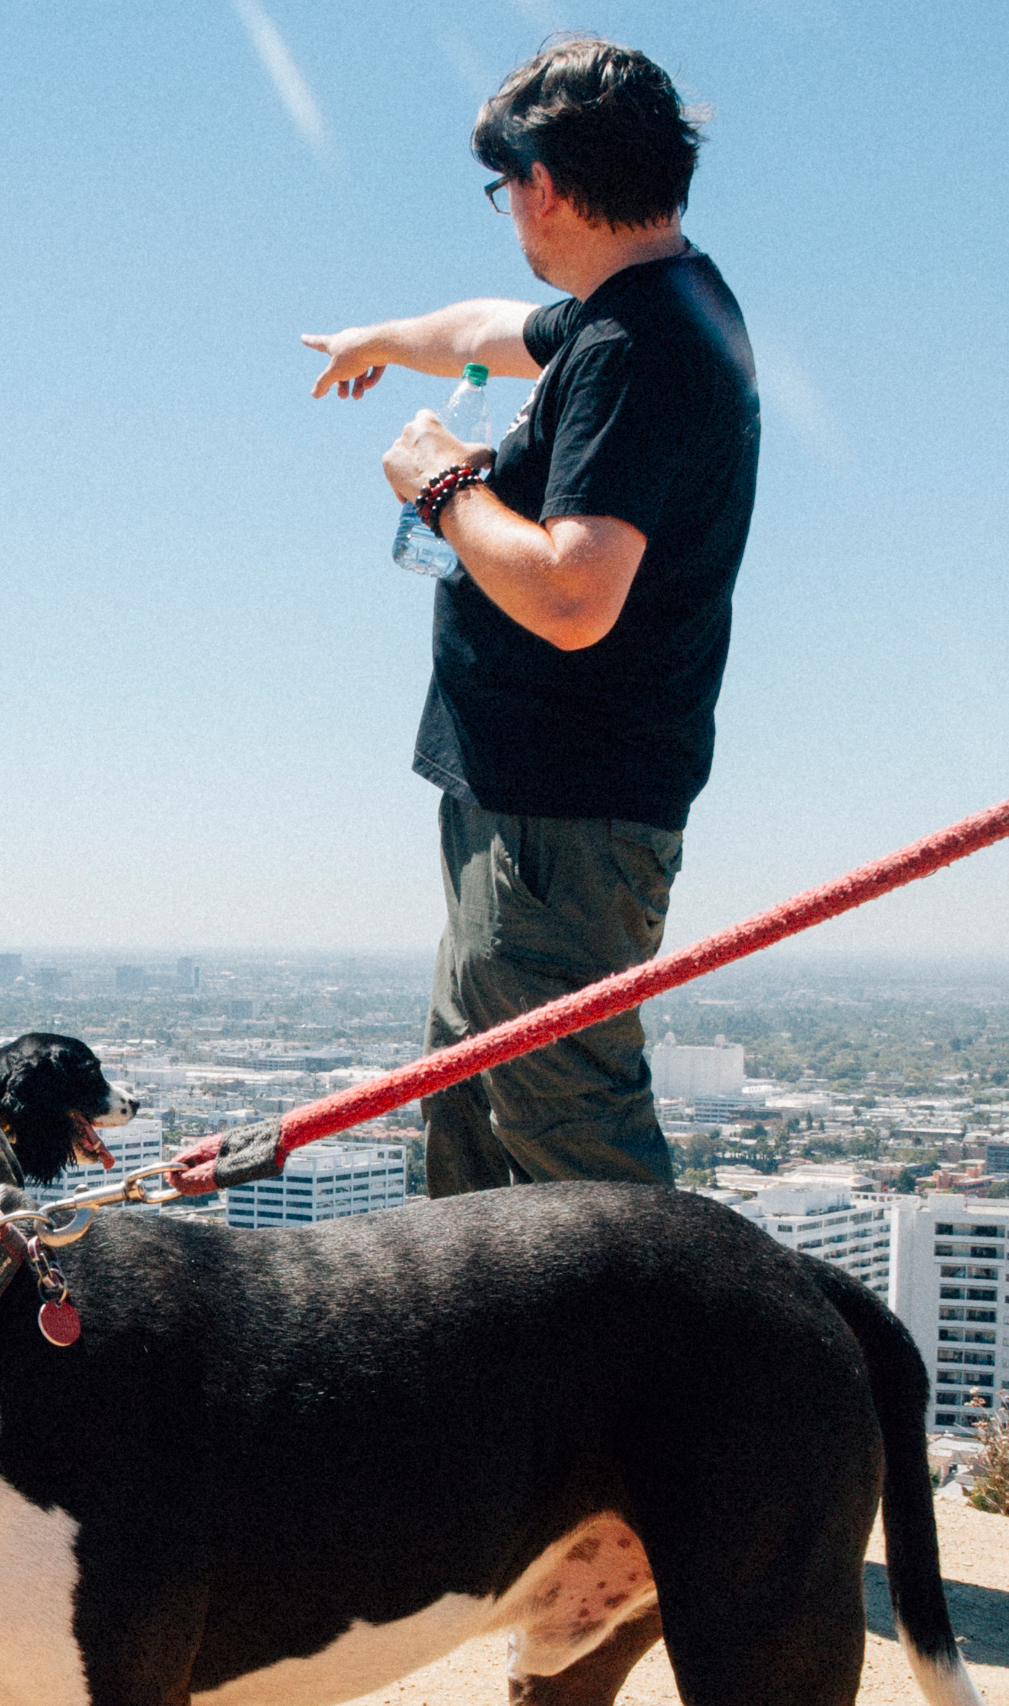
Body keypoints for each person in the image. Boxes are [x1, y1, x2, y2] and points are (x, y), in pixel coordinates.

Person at [303, 38, 757, 1197]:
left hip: (562, 821)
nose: (509, 212)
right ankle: (478, 1375)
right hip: (526, 805)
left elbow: (570, 593)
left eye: (506, 186)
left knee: (571, 1148)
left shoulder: (633, 345)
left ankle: (667, 1375)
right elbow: (488, 330)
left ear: (542, 184)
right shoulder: (647, 307)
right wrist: (383, 340)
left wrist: (446, 485)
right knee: (470, 1123)